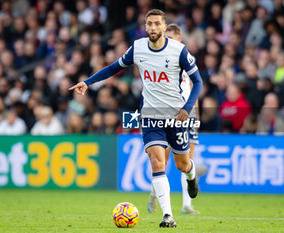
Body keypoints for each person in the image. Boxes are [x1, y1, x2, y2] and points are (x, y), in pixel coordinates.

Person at [69, 9, 203, 228]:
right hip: (150, 115)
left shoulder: (179, 51)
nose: (152, 28)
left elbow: (198, 82)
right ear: (145, 26)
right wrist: (89, 81)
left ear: (163, 26)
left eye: (157, 24)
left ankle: (191, 175)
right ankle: (168, 216)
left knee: (182, 163)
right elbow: (114, 67)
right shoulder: (138, 48)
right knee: (157, 161)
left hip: (176, 116)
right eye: (149, 24)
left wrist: (187, 109)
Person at [146, 23, 202, 215]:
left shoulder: (186, 57)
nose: (166, 42)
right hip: (166, 112)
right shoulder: (159, 58)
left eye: (170, 38)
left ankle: (187, 204)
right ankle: (155, 193)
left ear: (179, 40)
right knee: (164, 159)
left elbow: (196, 86)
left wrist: (195, 114)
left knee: (187, 160)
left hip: (187, 113)